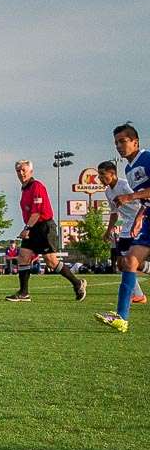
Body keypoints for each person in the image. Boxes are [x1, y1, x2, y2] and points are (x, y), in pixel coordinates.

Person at [6, 160, 86, 302]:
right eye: (18, 170)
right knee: (23, 256)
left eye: (23, 170)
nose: (21, 173)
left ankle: (77, 283)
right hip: (33, 227)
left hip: (44, 227)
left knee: (51, 262)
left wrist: (27, 228)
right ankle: (24, 293)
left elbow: (37, 213)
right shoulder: (25, 189)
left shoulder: (37, 186)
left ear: (31, 171)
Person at [96, 124, 150, 332]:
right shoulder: (129, 167)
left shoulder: (146, 159)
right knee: (128, 262)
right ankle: (122, 318)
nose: (119, 146)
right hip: (145, 220)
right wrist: (140, 216)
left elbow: (139, 195)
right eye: (116, 142)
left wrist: (131, 197)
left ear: (135, 142)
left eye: (123, 141)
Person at [96, 160, 145, 298]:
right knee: (121, 263)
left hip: (139, 222)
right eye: (99, 175)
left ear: (112, 173)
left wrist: (139, 218)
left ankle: (137, 295)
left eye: (102, 174)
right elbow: (114, 213)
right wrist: (107, 231)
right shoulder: (108, 192)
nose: (99, 178)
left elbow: (144, 200)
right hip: (126, 226)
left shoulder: (125, 185)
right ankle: (139, 295)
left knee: (130, 261)